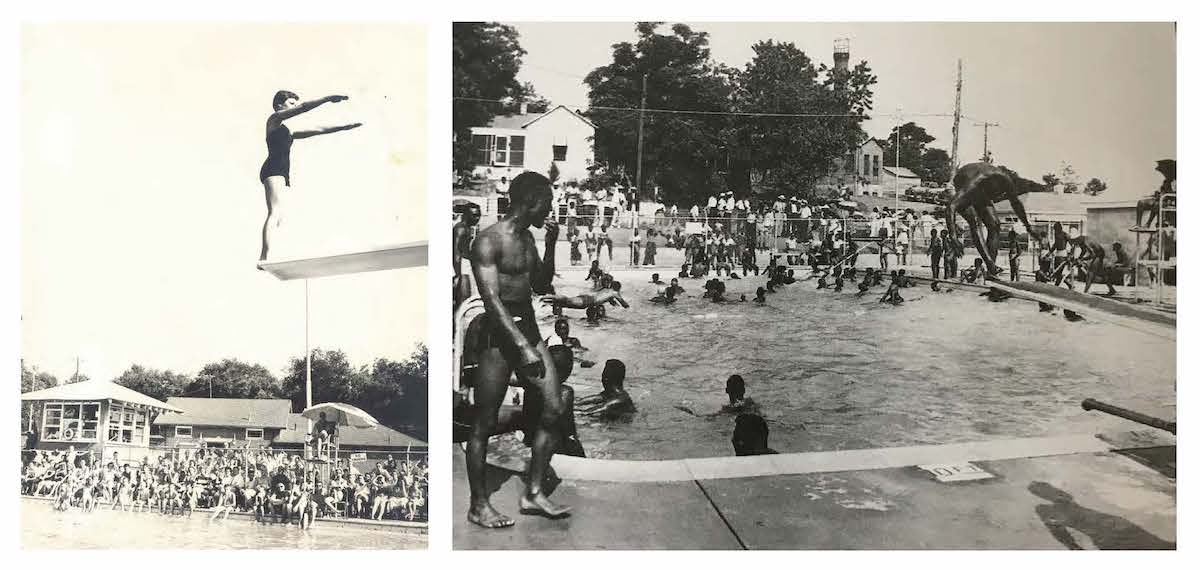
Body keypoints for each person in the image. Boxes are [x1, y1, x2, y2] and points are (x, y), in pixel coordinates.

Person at [466, 171, 569, 527]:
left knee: (556, 407)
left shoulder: (529, 239)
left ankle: (533, 492)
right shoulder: (487, 241)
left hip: (529, 329)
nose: (551, 210)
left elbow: (540, 283)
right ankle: (479, 505)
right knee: (484, 423)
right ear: (532, 202)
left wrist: (553, 243)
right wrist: (522, 346)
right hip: (498, 338)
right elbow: (491, 300)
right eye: (549, 204)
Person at [258, 90, 360, 264]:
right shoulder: (273, 120)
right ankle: (265, 256)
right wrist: (327, 98)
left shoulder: (287, 131)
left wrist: (343, 127)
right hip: (273, 169)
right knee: (274, 212)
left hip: (282, 172)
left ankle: (272, 252)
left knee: (279, 216)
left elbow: (319, 130)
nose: (295, 106)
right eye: (291, 103)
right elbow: (304, 108)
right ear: (279, 106)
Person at [945, 162, 1038, 275]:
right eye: (993, 194)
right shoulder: (974, 182)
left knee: (995, 225)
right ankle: (990, 264)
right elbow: (951, 207)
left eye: (997, 194)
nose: (995, 198)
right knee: (974, 222)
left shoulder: (1007, 181)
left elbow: (1016, 204)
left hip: (981, 189)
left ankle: (991, 269)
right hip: (962, 183)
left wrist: (1028, 227)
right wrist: (953, 236)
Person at [453, 201, 482, 309]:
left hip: (465, 263)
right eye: (474, 215)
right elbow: (456, 252)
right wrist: (458, 274)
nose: (477, 218)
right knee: (463, 299)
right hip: (462, 264)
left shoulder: (467, 228)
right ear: (466, 215)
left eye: (479, 215)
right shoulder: (460, 228)